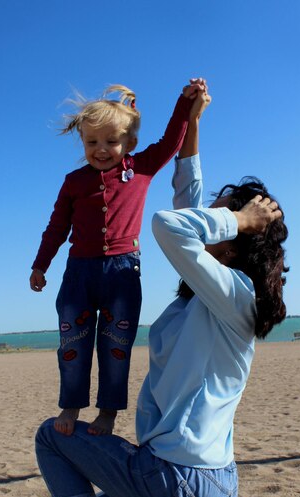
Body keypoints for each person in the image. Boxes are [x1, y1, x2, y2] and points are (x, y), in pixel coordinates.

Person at [35, 88, 289, 497]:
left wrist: (242, 219)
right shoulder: (211, 293)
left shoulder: (236, 297)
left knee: (50, 438)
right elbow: (187, 204)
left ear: (236, 241)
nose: (207, 223)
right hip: (212, 489)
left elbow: (173, 226)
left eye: (220, 222)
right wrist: (191, 125)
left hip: (174, 481)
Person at [29, 81, 203, 437]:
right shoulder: (74, 182)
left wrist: (183, 104)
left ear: (130, 143)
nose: (101, 150)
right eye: (92, 142)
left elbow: (172, 140)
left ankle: (107, 412)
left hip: (123, 273)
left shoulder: (141, 168)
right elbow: (56, 226)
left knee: (115, 344)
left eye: (111, 141)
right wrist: (40, 264)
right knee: (73, 342)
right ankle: (71, 404)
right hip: (78, 273)